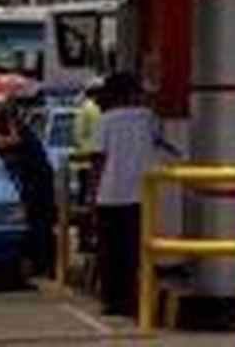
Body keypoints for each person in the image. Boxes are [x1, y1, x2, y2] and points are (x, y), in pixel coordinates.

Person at [91, 71, 159, 317]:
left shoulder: (106, 120)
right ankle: (131, 298)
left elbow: (98, 158)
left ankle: (111, 300)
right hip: (141, 195)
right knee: (133, 250)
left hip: (110, 194)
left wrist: (92, 193)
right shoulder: (148, 118)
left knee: (109, 251)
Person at [0, 102, 57, 276]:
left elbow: (10, 143)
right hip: (28, 183)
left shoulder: (18, 129)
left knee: (41, 225)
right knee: (32, 225)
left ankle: (46, 266)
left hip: (40, 183)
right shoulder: (8, 131)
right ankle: (37, 264)